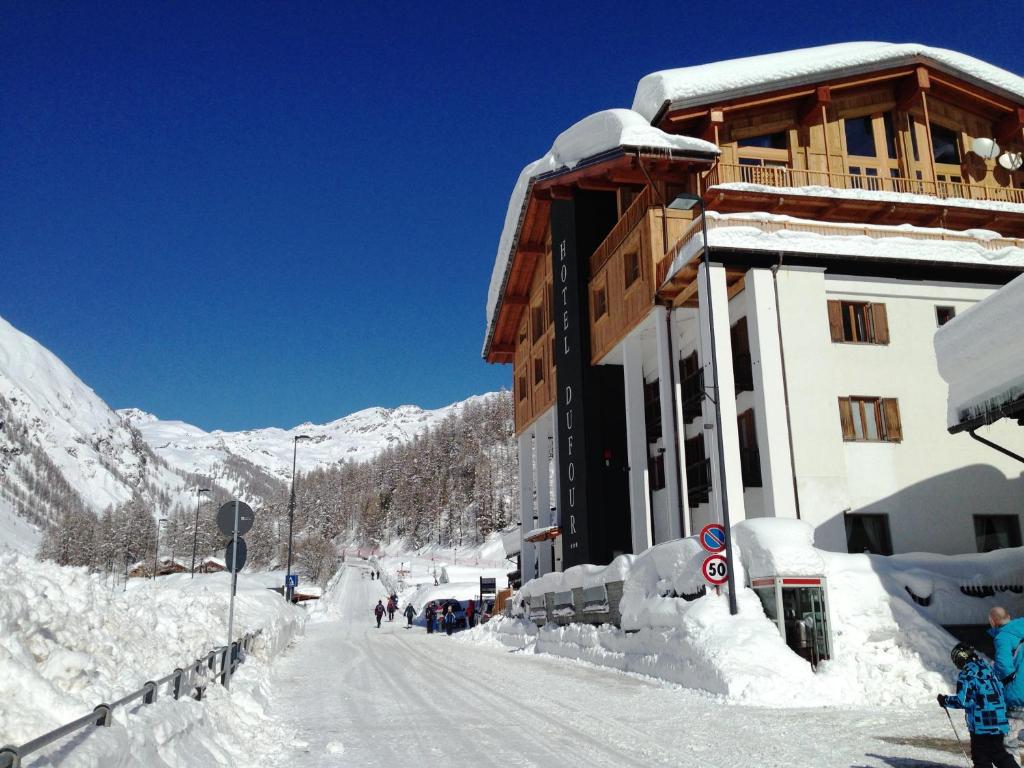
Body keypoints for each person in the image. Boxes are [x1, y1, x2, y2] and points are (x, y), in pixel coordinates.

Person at [939, 643, 1017, 768]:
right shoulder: (987, 669)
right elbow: (999, 687)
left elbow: (963, 701)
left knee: (981, 757)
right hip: (999, 721)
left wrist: (945, 700)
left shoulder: (967, 674)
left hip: (983, 724)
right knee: (998, 754)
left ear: (960, 659)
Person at [990, 607, 1024, 763]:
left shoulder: (1003, 637)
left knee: (1010, 741)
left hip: (1018, 695)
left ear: (993, 621)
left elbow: (1003, 666)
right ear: (1009, 616)